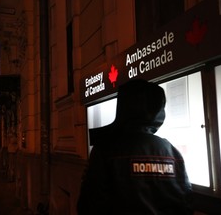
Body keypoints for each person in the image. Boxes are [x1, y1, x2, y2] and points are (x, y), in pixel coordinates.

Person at [77, 79, 193, 215]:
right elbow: (186, 202)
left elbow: (89, 205)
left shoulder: (106, 149)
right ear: (158, 110)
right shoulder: (171, 152)